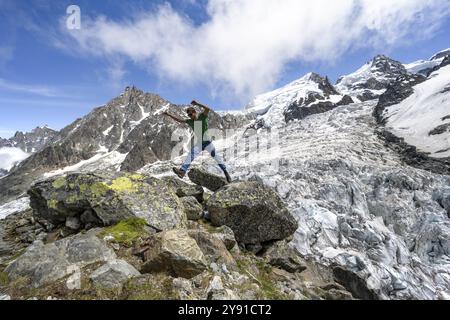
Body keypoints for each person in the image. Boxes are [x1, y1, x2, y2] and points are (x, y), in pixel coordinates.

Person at [163, 100, 232, 183]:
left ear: (195, 113)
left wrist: (197, 104)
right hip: (200, 143)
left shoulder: (202, 117)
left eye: (191, 114)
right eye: (188, 115)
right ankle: (182, 172)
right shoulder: (190, 121)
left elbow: (207, 109)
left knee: (216, 157)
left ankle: (226, 172)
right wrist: (168, 115)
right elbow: (179, 120)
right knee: (191, 154)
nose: (190, 116)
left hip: (208, 143)